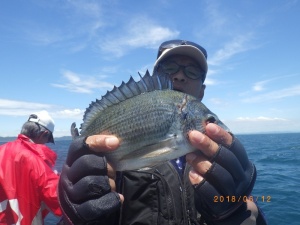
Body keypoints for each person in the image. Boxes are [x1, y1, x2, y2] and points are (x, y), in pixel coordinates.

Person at [58, 40, 267, 225]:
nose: (179, 76)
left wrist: (237, 210)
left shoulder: (218, 164)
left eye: (192, 71)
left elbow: (246, 211)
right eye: (170, 67)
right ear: (156, 76)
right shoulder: (108, 166)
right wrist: (73, 218)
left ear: (202, 91)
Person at [0, 110, 62, 224]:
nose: (46, 144)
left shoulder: (1, 150)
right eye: (47, 140)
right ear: (44, 134)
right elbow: (58, 199)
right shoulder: (36, 161)